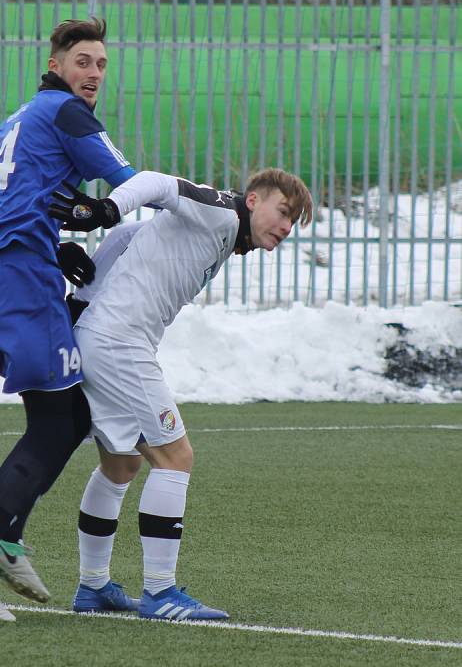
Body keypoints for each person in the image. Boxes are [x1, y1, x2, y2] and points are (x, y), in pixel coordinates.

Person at [0, 17, 141, 621]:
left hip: (5, 272)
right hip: (20, 278)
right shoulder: (67, 116)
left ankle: (5, 538)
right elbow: (133, 183)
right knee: (56, 424)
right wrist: (214, 209)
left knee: (71, 414)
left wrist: (53, 245)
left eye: (102, 65)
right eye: (83, 61)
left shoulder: (17, 120)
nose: (94, 74)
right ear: (55, 65)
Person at [49, 167, 313, 621]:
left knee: (122, 462)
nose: (287, 228)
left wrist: (82, 303)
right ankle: (160, 592)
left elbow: (128, 239)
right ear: (253, 201)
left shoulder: (220, 231)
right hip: (119, 344)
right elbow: (156, 182)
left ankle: (93, 587)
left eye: (294, 223)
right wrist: (107, 208)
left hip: (105, 339)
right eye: (283, 213)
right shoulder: (219, 213)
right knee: (176, 457)